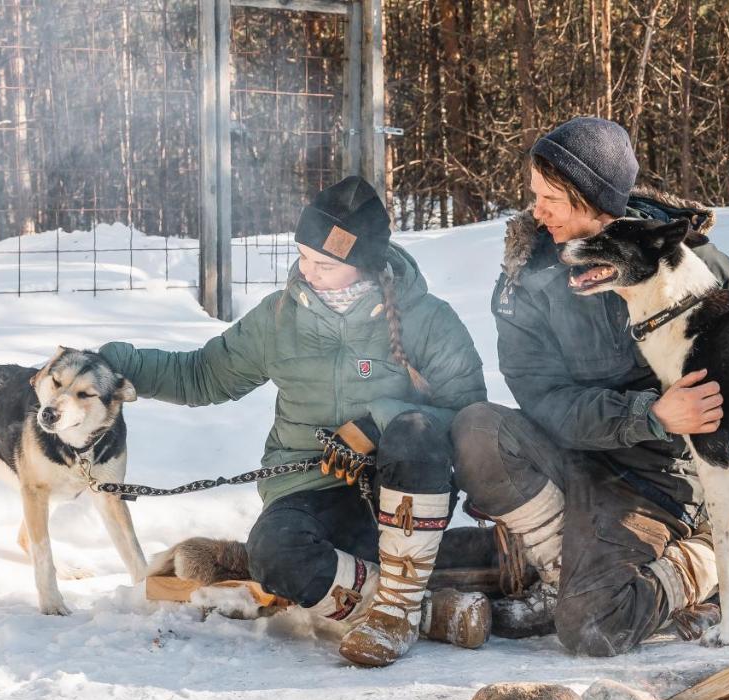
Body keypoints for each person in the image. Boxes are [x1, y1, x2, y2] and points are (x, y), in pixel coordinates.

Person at [453, 117, 729, 656]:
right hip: (575, 452)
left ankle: (702, 558)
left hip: (660, 479)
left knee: (592, 627)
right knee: (476, 429)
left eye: (551, 199)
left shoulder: (692, 261)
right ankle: (563, 569)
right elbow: (545, 401)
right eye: (534, 195)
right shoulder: (528, 278)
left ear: (594, 201)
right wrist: (651, 410)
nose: (535, 211)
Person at [100, 176, 487, 667]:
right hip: (306, 484)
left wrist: (379, 423)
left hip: (399, 496)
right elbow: (202, 375)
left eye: (323, 263)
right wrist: (119, 364)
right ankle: (416, 609)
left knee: (415, 430)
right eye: (303, 255)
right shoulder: (280, 317)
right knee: (274, 555)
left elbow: (469, 412)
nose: (307, 271)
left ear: (363, 262)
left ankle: (399, 607)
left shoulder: (428, 319)